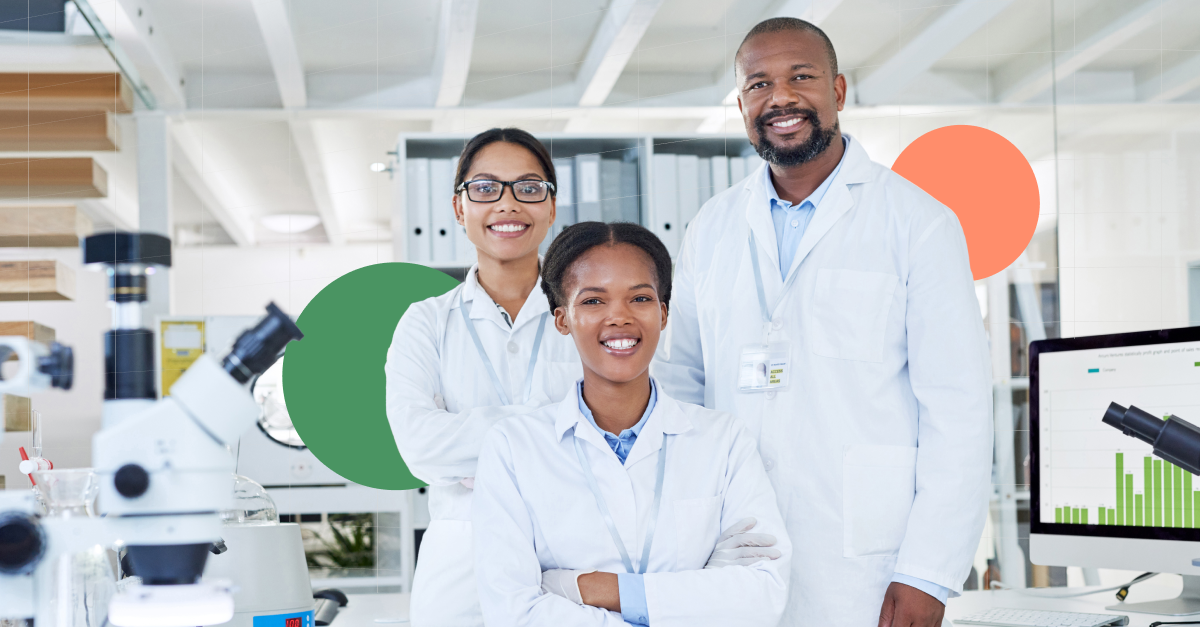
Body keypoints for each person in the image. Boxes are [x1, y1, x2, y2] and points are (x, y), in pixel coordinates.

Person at [652, 17, 993, 627]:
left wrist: (928, 572)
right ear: (741, 104)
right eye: (759, 84)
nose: (780, 98)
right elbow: (681, 386)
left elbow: (958, 411)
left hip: (863, 568)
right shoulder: (713, 226)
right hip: (732, 554)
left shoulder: (918, 223)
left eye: (800, 77)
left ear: (837, 91)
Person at [472, 222, 791, 627]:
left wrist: (592, 588)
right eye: (593, 301)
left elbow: (762, 594)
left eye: (640, 298)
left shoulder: (724, 440)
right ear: (562, 319)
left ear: (663, 313)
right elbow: (513, 612)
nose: (619, 317)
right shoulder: (513, 447)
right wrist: (693, 600)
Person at [385, 128, 584, 626]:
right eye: (485, 188)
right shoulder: (426, 322)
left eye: (529, 188)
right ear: (459, 208)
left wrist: (476, 446)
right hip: (460, 568)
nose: (507, 203)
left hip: (578, 553)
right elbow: (419, 447)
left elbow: (622, 426)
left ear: (551, 207)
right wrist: (555, 424)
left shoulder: (593, 313)